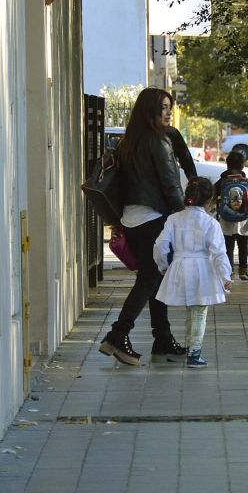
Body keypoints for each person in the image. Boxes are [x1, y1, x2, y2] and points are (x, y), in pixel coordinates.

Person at [99, 87, 187, 366]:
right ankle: (117, 335)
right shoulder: (157, 142)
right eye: (163, 107)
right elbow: (170, 184)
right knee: (149, 280)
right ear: (150, 109)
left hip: (132, 219)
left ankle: (163, 340)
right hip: (153, 219)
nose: (168, 112)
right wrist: (184, 217)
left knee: (156, 279)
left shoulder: (129, 141)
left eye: (169, 107)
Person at [154, 177, 233, 369]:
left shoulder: (173, 219)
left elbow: (160, 245)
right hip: (202, 269)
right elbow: (219, 252)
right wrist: (225, 276)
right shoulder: (211, 223)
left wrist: (162, 265)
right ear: (209, 200)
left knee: (190, 311)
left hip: (180, 266)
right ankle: (194, 352)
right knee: (199, 311)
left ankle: (190, 346)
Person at [214, 151, 248, 282]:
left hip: (226, 219)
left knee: (228, 246)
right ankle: (243, 270)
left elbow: (213, 195)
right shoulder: (247, 181)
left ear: (227, 165)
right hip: (243, 218)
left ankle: (230, 272)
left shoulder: (222, 181)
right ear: (242, 166)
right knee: (243, 245)